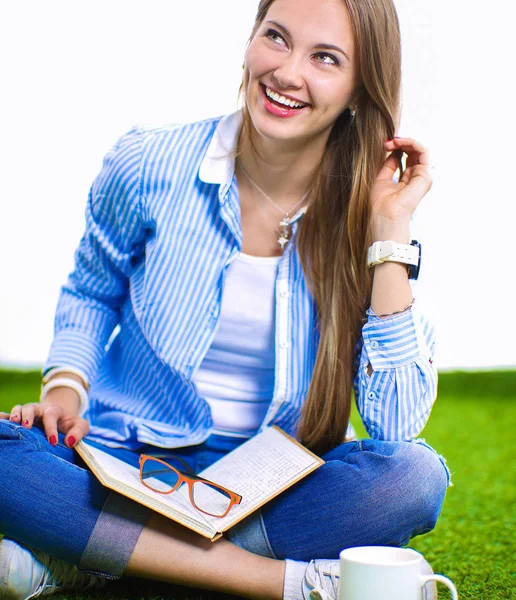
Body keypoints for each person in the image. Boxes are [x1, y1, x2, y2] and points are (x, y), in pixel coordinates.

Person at [0, 0, 452, 598]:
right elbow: (91, 289)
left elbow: (396, 429)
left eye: (324, 57)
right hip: (120, 457)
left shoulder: (369, 209)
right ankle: (274, 582)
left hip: (267, 489)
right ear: (250, 40)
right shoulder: (148, 162)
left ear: (357, 89)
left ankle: (89, 555)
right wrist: (63, 391)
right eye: (276, 37)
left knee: (412, 478)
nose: (288, 72)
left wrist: (390, 230)